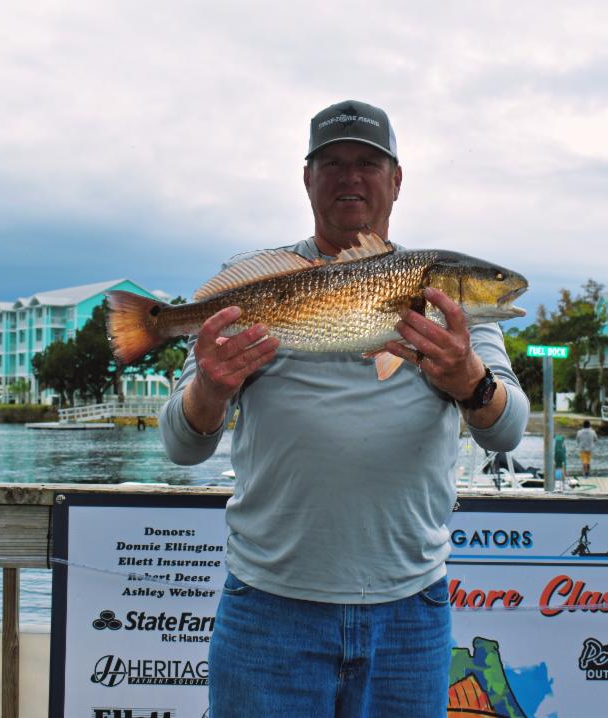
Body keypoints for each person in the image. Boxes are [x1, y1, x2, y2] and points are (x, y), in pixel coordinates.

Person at [159, 100, 529, 718]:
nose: (350, 177)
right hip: (269, 607)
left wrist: (469, 379)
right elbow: (181, 446)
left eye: (368, 163)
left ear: (397, 179)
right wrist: (212, 389)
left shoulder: (449, 305)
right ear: (307, 179)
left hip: (410, 609)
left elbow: (508, 431)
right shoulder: (250, 287)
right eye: (332, 163)